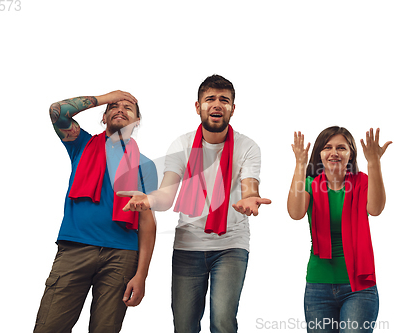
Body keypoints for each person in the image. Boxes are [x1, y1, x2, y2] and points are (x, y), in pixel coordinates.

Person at [118, 75, 271, 332]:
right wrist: (150, 200)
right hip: (188, 245)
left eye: (224, 100)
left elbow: (250, 187)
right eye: (210, 99)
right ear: (198, 106)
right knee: (184, 325)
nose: (217, 105)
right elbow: (167, 195)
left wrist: (249, 199)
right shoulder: (183, 144)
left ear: (233, 108)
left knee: (223, 321)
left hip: (231, 244)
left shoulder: (247, 146)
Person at [34, 91, 158, 333]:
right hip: (75, 249)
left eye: (128, 108)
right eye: (114, 106)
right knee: (49, 327)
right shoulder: (81, 144)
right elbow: (57, 111)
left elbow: (147, 223)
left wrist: (141, 275)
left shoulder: (146, 165)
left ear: (137, 121)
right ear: (104, 116)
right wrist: (106, 96)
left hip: (122, 256)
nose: (120, 109)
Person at [287, 126, 392, 333]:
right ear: (320, 153)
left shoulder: (362, 183)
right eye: (328, 147)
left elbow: (376, 208)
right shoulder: (309, 184)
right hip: (318, 286)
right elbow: (295, 212)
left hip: (359, 287)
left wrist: (374, 162)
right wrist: (300, 165)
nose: (334, 152)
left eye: (341, 148)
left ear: (351, 154)